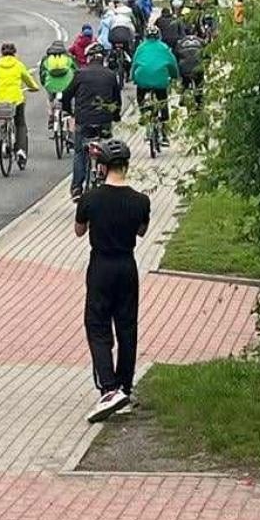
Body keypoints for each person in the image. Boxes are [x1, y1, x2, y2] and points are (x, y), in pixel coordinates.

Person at [75, 139, 150, 422]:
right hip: (127, 266)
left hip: (101, 266)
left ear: (103, 167)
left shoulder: (91, 199)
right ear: (127, 166)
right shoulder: (140, 201)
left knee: (97, 326)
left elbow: (79, 231)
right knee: (127, 327)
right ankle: (125, 387)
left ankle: (109, 388)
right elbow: (142, 231)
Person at [62, 43, 122, 197]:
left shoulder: (79, 73)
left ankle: (76, 187)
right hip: (104, 120)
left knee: (80, 152)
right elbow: (117, 99)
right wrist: (115, 115)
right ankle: (108, 182)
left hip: (84, 120)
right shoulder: (110, 75)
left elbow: (67, 95)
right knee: (108, 149)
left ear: (88, 58)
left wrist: (69, 111)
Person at [0, 42, 39, 168]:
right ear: (14, 53)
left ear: (2, 53)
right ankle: (21, 150)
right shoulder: (18, 65)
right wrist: (34, 88)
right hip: (15, 99)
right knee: (20, 124)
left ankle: (4, 140)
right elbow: (28, 79)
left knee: (2, 118)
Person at [131, 25, 179, 138]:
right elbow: (173, 64)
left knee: (141, 97)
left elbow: (134, 64)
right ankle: (164, 127)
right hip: (160, 80)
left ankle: (143, 115)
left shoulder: (141, 48)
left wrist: (133, 77)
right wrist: (174, 76)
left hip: (143, 79)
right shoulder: (164, 47)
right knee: (162, 101)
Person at [38, 40, 77, 134]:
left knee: (50, 99)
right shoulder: (69, 58)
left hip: (51, 86)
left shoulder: (46, 59)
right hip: (67, 86)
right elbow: (76, 71)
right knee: (71, 110)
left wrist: (45, 84)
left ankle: (51, 115)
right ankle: (71, 132)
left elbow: (42, 74)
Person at [176, 28, 206, 107]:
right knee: (199, 83)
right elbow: (207, 54)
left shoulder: (180, 42)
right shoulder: (201, 41)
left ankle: (182, 98)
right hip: (198, 67)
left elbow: (176, 55)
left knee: (184, 82)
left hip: (184, 68)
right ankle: (200, 102)